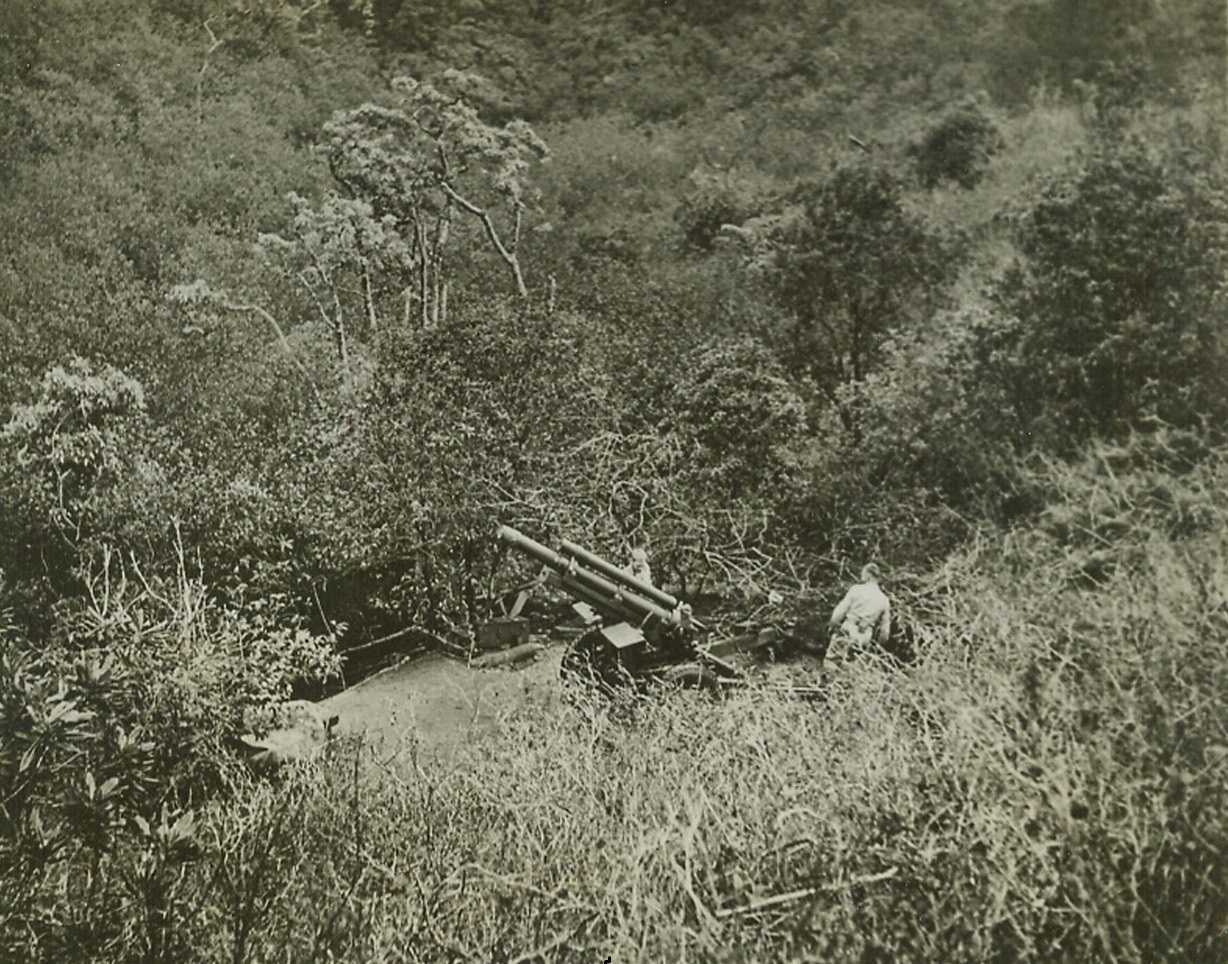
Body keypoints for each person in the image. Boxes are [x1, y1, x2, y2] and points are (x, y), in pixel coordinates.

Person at [827, 563, 891, 661]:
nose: (862, 576)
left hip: (848, 629)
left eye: (863, 574)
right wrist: (876, 647)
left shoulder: (856, 590)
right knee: (853, 669)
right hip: (865, 636)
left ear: (869, 575)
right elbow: (885, 632)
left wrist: (833, 626)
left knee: (831, 662)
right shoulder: (883, 599)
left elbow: (839, 612)